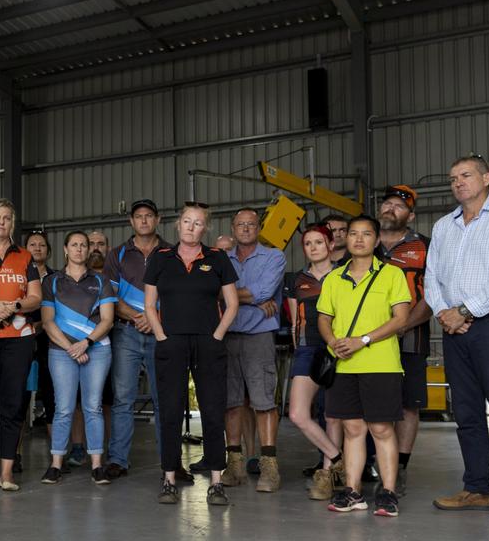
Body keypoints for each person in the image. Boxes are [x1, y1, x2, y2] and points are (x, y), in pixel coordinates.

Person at [144, 203, 238, 505]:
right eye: (186, 221)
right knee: (170, 410)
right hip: (171, 343)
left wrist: (217, 336)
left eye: (198, 223)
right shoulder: (160, 259)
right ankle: (169, 477)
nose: (191, 227)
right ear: (177, 224)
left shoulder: (218, 259)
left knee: (212, 410)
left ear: (205, 228)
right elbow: (149, 305)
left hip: (208, 343)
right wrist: (161, 336)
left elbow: (232, 303)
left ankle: (216, 481)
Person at [318, 215, 410, 516]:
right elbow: (323, 318)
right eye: (353, 233)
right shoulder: (334, 278)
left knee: (382, 428)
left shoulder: (392, 275)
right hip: (344, 366)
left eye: (366, 234)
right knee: (352, 428)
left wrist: (363, 339)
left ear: (376, 239)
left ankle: (387, 492)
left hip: (381, 364)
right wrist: (333, 342)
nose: (358, 239)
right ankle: (353, 491)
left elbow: (401, 318)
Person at [426, 155, 489, 512]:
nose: (458, 183)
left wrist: (464, 310)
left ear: (487, 177)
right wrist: (444, 313)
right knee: (466, 413)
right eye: (453, 178)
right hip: (454, 331)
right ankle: (478, 488)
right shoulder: (442, 227)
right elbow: (431, 277)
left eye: (465, 175)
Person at [0, 199, 41, 493]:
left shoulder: (25, 257)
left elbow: (36, 298)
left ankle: (8, 472)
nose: (2, 222)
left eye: (7, 218)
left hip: (20, 339)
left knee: (14, 405)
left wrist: (13, 305)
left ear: (12, 224)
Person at [39, 231, 116, 485]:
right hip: (62, 352)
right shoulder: (51, 282)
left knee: (93, 407)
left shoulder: (101, 280)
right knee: (63, 408)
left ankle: (97, 465)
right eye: (75, 245)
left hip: (97, 348)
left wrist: (86, 343)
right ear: (65, 249)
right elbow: (48, 322)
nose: (80, 249)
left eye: (84, 245)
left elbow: (108, 319)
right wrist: (71, 348)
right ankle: (55, 465)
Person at [221, 208, 286, 491]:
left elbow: (263, 291)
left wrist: (233, 295)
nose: (245, 228)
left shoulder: (274, 256)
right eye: (240, 224)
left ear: (259, 227)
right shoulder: (221, 259)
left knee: (263, 401)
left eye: (251, 224)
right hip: (227, 334)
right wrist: (253, 300)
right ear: (233, 228)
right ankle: (234, 465)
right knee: (231, 402)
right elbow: (211, 290)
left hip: (259, 336)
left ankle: (269, 467)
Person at [376, 185, 431, 496]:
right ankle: (376, 462)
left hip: (411, 338)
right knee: (373, 402)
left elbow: (433, 295)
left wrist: (403, 325)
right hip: (368, 341)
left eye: (397, 206)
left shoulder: (424, 246)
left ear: (410, 215)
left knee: (409, 405)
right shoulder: (364, 242)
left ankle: (401, 467)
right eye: (386, 203)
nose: (390, 209)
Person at [104, 199, 165, 479]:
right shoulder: (117, 255)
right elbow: (110, 297)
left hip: (162, 333)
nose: (143, 221)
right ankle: (117, 460)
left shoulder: (170, 253)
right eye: (138, 216)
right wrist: (141, 318)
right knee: (123, 399)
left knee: (164, 399)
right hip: (126, 332)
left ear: (157, 220)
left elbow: (177, 294)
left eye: (148, 216)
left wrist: (154, 320)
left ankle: (171, 462)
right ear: (131, 221)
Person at [284, 225, 344, 501]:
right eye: (308, 243)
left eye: (319, 242)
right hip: (308, 351)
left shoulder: (344, 274)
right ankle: (338, 457)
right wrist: (298, 349)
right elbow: (295, 318)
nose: (313, 247)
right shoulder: (297, 279)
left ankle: (328, 473)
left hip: (339, 349)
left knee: (332, 415)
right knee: (298, 413)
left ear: (330, 245)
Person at [23, 230, 55, 442]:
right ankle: (14, 454)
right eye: (32, 244)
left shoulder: (56, 278)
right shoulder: (19, 274)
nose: (37, 248)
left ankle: (56, 452)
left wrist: (43, 325)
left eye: (41, 245)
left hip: (49, 339)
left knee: (51, 393)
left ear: (49, 251)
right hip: (22, 336)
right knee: (19, 395)